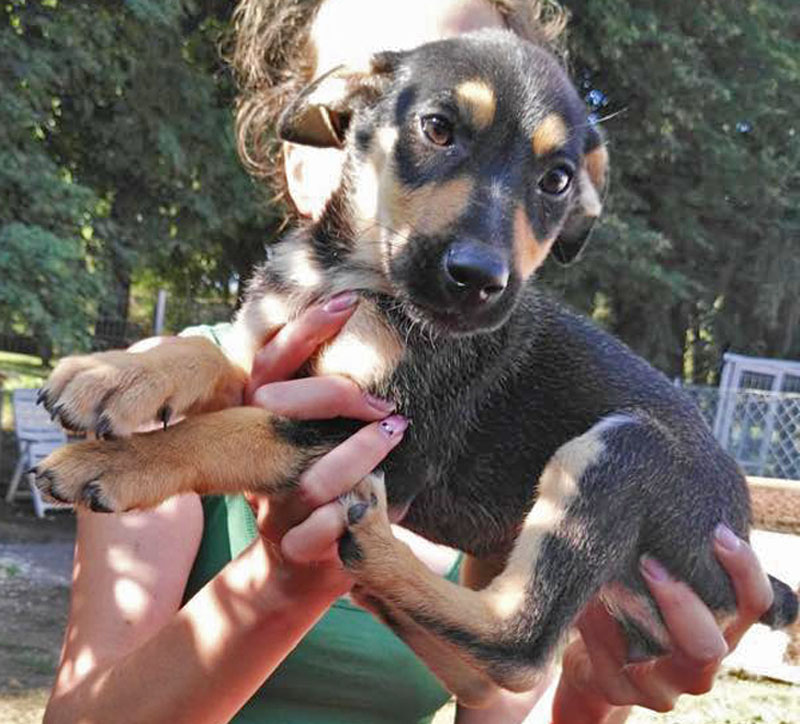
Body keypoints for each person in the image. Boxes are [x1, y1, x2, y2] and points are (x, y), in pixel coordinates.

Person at [43, 1, 777, 723]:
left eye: (547, 178)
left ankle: (508, 638)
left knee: (615, 468)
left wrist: (587, 694)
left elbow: (347, 456)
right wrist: (277, 576)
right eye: (439, 128)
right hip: (515, 545)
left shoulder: (435, 331)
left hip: (664, 502)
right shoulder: (282, 299)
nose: (485, 246)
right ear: (329, 126)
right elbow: (239, 371)